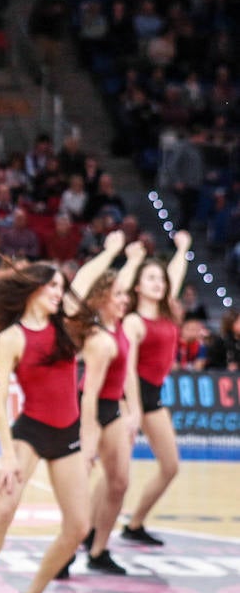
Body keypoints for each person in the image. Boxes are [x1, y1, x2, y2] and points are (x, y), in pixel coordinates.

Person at [0, 231, 128, 593]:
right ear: (34, 289)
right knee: (4, 509)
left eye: (60, 287)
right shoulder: (15, 336)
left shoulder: (67, 324)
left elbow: (84, 279)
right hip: (30, 433)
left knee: (78, 527)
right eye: (52, 286)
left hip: (67, 436)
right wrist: (6, 455)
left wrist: (112, 252)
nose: (60, 292)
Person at [60, 240, 146, 578]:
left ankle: (98, 550)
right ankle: (64, 551)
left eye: (126, 295)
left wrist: (133, 410)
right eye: (119, 296)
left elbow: (127, 375)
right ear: (103, 300)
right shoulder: (94, 331)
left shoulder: (121, 325)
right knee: (81, 485)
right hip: (91, 411)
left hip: (114, 410)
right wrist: (89, 436)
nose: (125, 299)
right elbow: (90, 393)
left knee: (120, 482)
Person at [121, 230, 191, 546]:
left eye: (159, 279)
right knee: (116, 476)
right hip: (128, 396)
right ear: (137, 285)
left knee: (171, 466)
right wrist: (133, 410)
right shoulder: (133, 319)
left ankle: (134, 524)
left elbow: (174, 274)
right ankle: (93, 529)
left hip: (154, 396)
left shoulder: (165, 311)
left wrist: (183, 248)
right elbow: (128, 371)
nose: (158, 282)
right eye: (150, 278)